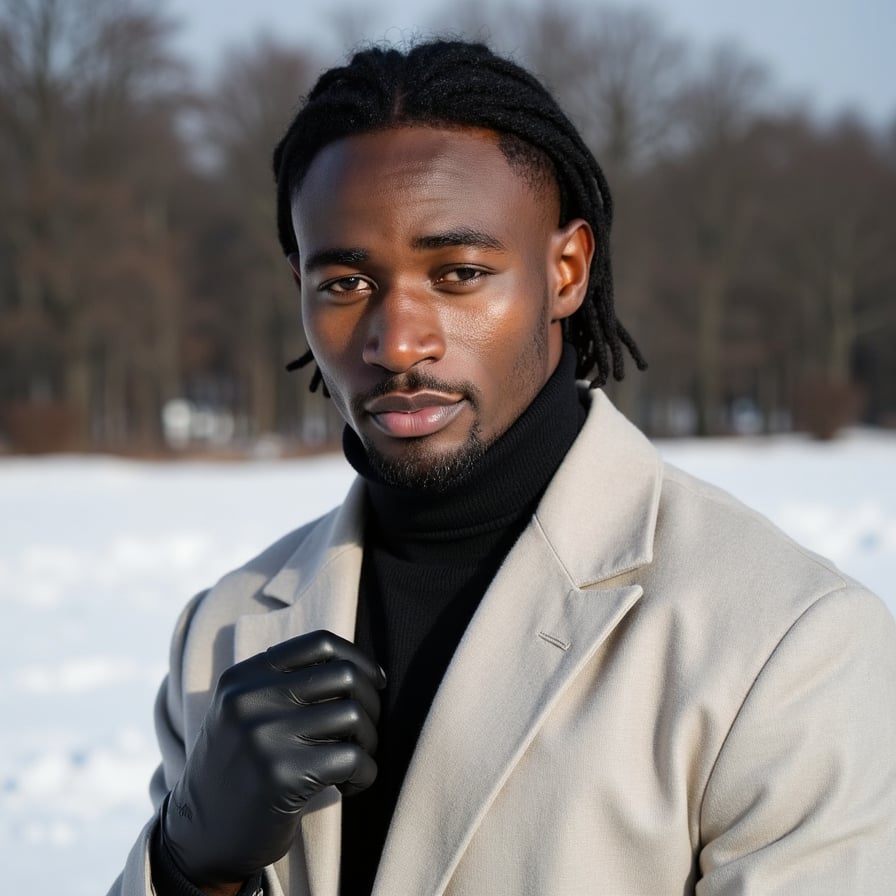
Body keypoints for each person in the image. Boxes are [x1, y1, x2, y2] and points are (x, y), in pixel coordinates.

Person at [110, 39, 896, 896]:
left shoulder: (788, 646)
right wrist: (191, 864)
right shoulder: (222, 633)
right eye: (345, 284)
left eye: (460, 274)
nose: (397, 341)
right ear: (298, 282)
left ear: (565, 271)